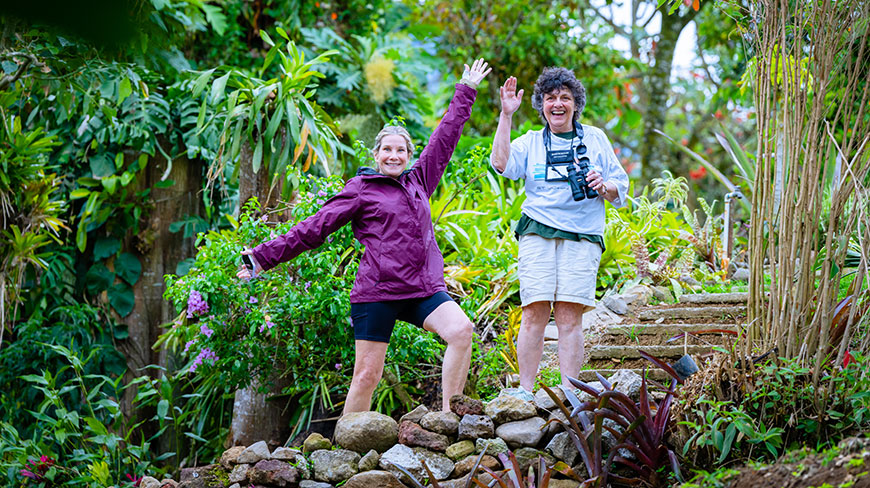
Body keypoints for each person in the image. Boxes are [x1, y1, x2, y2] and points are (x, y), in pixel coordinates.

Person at [237, 59, 492, 414]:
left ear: (408, 155)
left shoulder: (419, 180)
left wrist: (466, 89)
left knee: (462, 332)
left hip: (422, 288)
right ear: (376, 155)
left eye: (400, 150)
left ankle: (449, 418)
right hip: (379, 292)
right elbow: (314, 228)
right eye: (387, 149)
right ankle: (346, 450)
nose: (393, 155)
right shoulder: (362, 189)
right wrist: (261, 258)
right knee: (366, 376)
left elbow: (445, 137)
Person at [491, 67, 629, 396]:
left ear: (575, 104)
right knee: (534, 310)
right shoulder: (530, 142)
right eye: (551, 98)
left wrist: (604, 186)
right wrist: (506, 115)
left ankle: (569, 391)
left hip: (582, 234)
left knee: (569, 315)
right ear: (541, 105)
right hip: (537, 230)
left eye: (565, 98)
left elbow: (620, 187)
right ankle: (525, 390)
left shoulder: (594, 138)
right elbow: (500, 164)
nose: (557, 104)